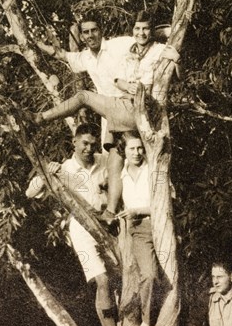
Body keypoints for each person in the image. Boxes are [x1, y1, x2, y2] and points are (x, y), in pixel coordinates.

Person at [35, 11, 180, 226]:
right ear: (82, 36)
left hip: (129, 105)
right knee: (115, 158)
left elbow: (145, 34)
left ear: (102, 31)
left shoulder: (119, 44)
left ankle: (39, 118)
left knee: (84, 96)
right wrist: (35, 43)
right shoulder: (85, 56)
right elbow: (62, 55)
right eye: (86, 32)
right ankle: (112, 212)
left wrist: (172, 33)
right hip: (113, 114)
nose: (90, 35)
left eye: (94, 30)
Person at [25, 123, 119, 326]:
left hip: (108, 225)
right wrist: (46, 171)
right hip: (81, 230)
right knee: (102, 280)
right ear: (74, 142)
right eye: (84, 143)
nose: (88, 148)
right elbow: (31, 193)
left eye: (92, 144)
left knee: (119, 280)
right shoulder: (64, 168)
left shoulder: (104, 160)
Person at [115, 131, 159, 326]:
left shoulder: (152, 170)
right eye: (132, 148)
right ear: (124, 151)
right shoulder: (119, 174)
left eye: (140, 148)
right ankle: (146, 321)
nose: (137, 152)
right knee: (149, 275)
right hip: (139, 229)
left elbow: (166, 201)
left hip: (160, 224)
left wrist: (138, 210)